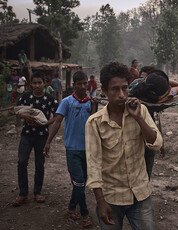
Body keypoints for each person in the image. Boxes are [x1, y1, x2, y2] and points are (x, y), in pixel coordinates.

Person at [85, 61, 163, 229]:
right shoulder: (95, 122)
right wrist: (100, 202)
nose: (121, 94)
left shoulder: (140, 111)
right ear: (105, 91)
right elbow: (93, 165)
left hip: (140, 194)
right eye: (115, 89)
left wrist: (139, 119)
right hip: (111, 197)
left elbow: (156, 143)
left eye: (125, 88)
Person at [44, 71, 96, 228]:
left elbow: (94, 124)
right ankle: (85, 213)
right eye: (79, 83)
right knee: (79, 182)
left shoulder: (92, 102)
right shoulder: (67, 102)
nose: (82, 86)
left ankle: (72, 207)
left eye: (84, 83)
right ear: (74, 85)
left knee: (81, 182)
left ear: (87, 83)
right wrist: (48, 142)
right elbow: (57, 121)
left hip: (87, 149)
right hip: (72, 149)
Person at [13, 71, 58, 207]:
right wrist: (24, 117)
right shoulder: (25, 97)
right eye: (34, 83)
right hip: (26, 134)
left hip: (42, 136)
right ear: (30, 84)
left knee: (39, 164)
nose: (37, 85)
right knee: (21, 162)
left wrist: (46, 123)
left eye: (40, 83)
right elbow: (18, 111)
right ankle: (23, 194)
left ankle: (37, 192)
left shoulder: (50, 99)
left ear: (45, 83)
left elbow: (57, 116)